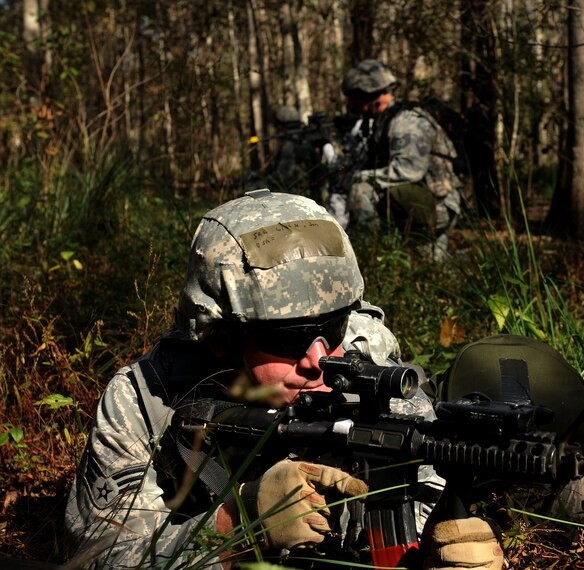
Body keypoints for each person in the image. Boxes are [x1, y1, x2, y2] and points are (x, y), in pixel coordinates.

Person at [63, 190, 500, 569]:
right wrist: (236, 525)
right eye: (290, 341)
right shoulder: (144, 400)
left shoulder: (364, 357)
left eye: (332, 328)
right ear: (222, 340)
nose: (321, 360)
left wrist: (446, 547)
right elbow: (101, 553)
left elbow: (424, 497)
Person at [340, 59, 462, 261]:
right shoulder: (388, 121)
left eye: (356, 98)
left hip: (437, 204)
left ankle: (363, 258)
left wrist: (360, 176)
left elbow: (409, 170)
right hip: (428, 201)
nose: (354, 106)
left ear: (369, 94)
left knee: (362, 185)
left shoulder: (405, 122)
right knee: (428, 265)